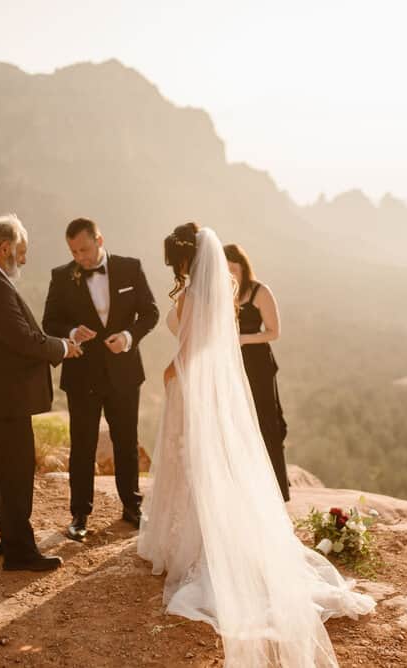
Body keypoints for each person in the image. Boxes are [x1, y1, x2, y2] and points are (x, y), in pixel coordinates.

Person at [138, 223, 374, 667]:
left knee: (189, 464)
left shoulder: (191, 296)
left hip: (191, 388)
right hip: (214, 390)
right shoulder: (223, 292)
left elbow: (188, 350)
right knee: (208, 466)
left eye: (175, 262)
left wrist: (170, 375)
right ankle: (205, 539)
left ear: (184, 261)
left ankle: (190, 548)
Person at [0, 213, 81, 571]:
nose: (25, 259)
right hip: (5, 397)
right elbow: (22, 340)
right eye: (22, 251)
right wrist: (63, 347)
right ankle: (20, 551)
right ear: (4, 248)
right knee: (13, 473)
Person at [42, 217, 159, 541]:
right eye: (74, 251)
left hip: (124, 372)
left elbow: (150, 312)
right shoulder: (62, 276)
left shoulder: (130, 268)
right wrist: (70, 332)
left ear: (99, 240)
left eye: (85, 249)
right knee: (83, 446)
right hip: (82, 375)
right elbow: (49, 321)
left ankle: (132, 507)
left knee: (126, 443)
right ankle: (80, 514)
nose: (80, 257)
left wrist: (127, 336)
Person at [224, 243, 290, 501]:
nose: (230, 275)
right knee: (236, 423)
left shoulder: (260, 292)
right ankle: (244, 487)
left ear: (243, 268)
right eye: (225, 270)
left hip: (258, 364)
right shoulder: (221, 295)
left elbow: (274, 332)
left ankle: (276, 489)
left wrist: (243, 339)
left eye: (234, 269)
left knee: (266, 421)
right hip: (230, 364)